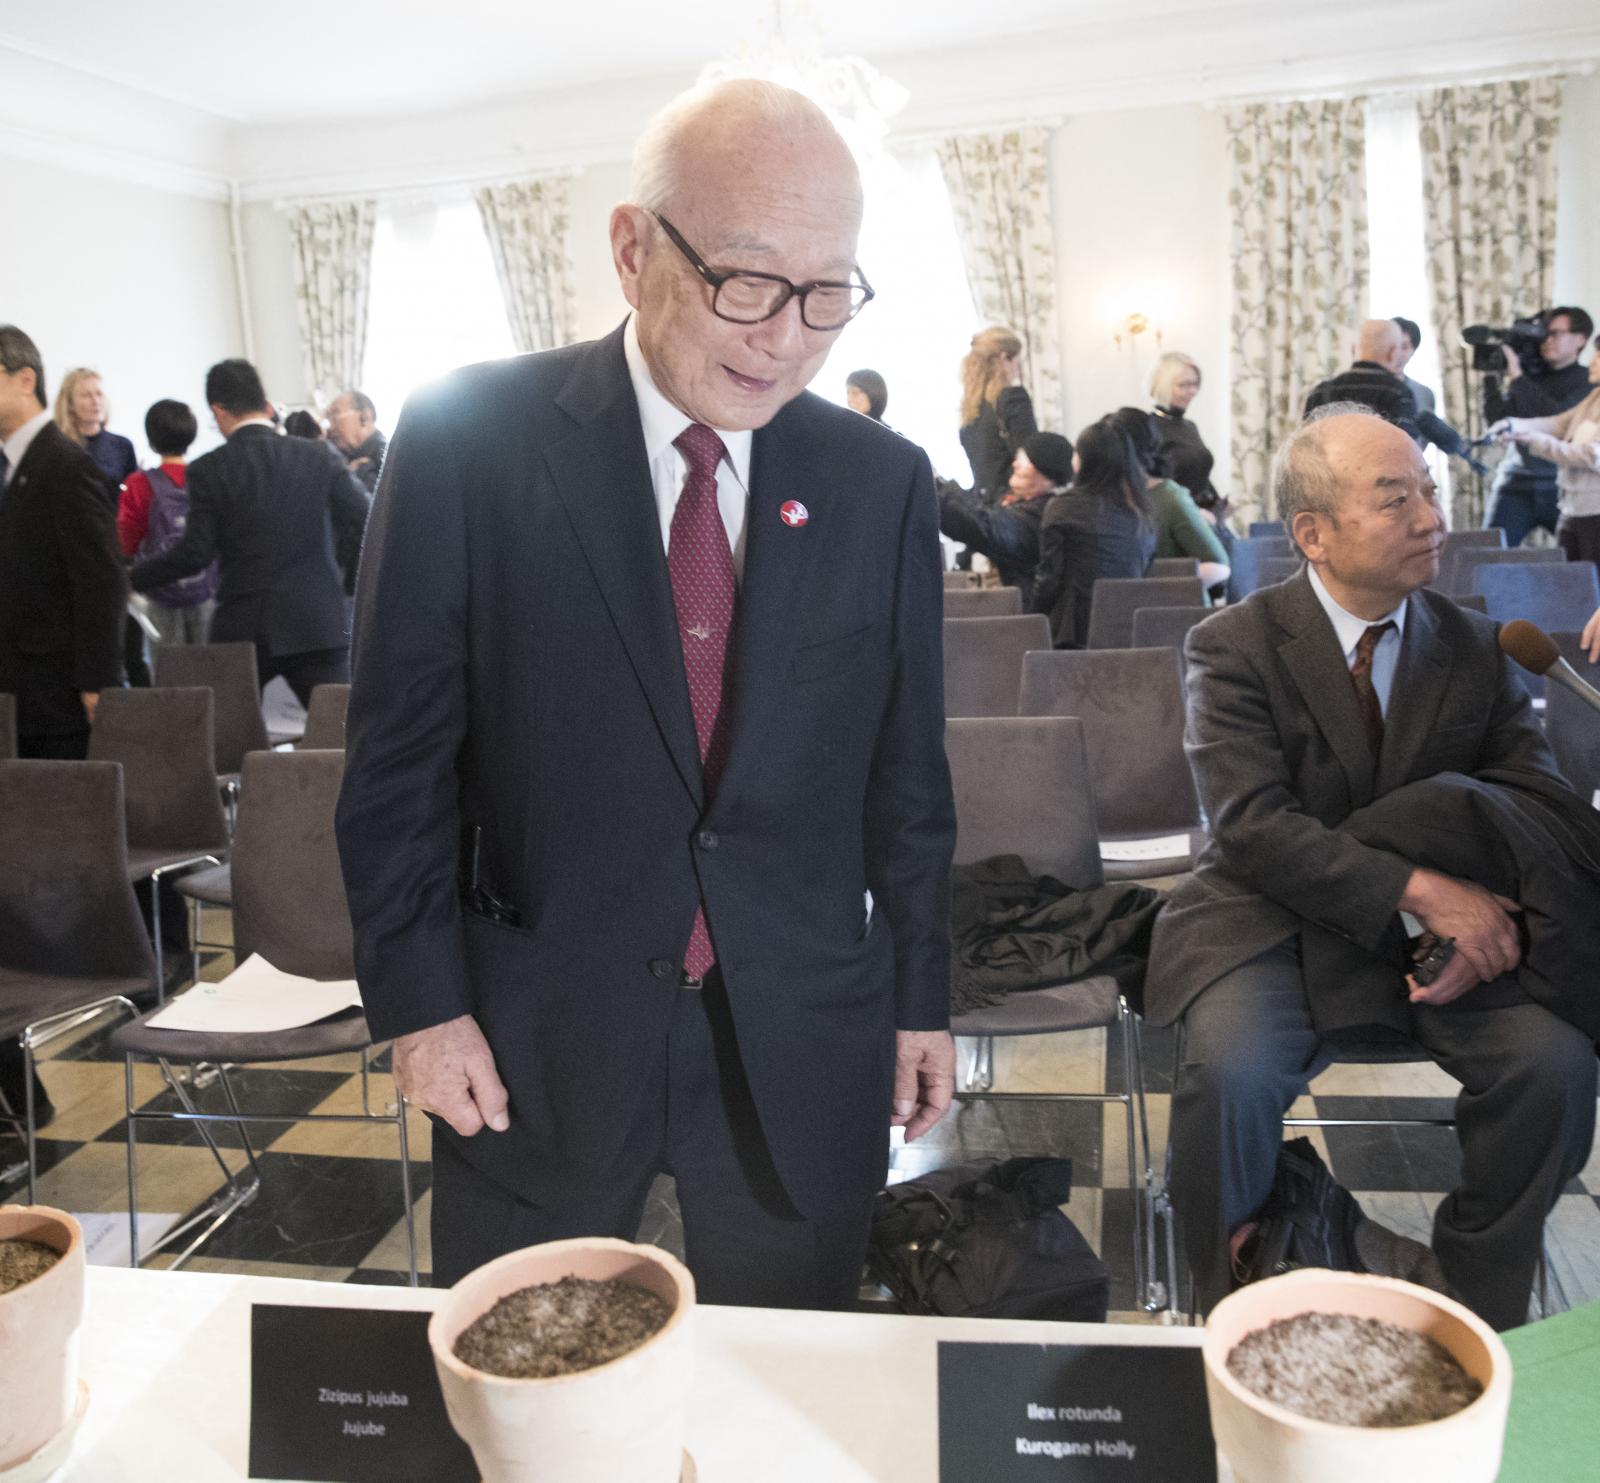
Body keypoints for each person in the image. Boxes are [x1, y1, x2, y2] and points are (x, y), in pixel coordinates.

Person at [334, 79, 957, 1308]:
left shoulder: (880, 482)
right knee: (532, 1388)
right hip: (537, 1032)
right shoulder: (470, 440)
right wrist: (422, 1009)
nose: (784, 335)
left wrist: (922, 997)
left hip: (796, 1022)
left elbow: (907, 775)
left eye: (828, 292)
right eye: (745, 278)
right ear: (633, 249)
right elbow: (397, 763)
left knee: (792, 1392)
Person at [1147, 404, 1597, 1330]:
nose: (1432, 517)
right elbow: (1253, 827)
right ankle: (1221, 1310)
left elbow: (1536, 799)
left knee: (1553, 1067)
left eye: (1429, 490)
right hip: (1271, 919)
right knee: (1228, 1075)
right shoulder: (1232, 645)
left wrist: (1471, 917)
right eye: (1396, 500)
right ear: (1313, 533)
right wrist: (1427, 886)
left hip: (1439, 946)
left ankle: (1475, 1297)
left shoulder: (1474, 642)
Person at [129, 359, 370, 706]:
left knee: (227, 741)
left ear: (218, 411)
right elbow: (364, 518)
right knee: (344, 736)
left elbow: (194, 554)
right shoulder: (318, 456)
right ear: (265, 402)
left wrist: (132, 577)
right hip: (317, 621)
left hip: (244, 630)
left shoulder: (208, 470)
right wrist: (343, 582)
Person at [0, 326, 126, 759]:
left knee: (65, 820)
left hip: (58, 694)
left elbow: (101, 578)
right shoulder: (10, 465)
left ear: (25, 380)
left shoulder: (66, 465)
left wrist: (96, 681)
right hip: (15, 689)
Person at [1031, 417, 1157, 648]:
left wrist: (1029, 615)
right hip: (1132, 633)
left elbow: (1049, 579)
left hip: (1075, 637)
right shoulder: (1141, 511)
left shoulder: (1063, 507)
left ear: (1083, 460)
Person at [1483, 307, 1593, 547]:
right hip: (1515, 481)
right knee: (1487, 553)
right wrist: (1490, 376)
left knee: (1583, 564)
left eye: (1556, 333)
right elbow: (1498, 420)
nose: (1547, 340)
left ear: (1581, 339)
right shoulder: (1527, 375)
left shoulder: (1588, 381)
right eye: (1544, 333)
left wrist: (1517, 375)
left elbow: (1557, 418)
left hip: (1559, 485)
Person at [119, 400, 217, 646]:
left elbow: (126, 538)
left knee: (170, 675)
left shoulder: (139, 484)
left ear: (151, 440)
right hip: (206, 589)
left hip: (159, 590)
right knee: (213, 668)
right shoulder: (206, 476)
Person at [937, 431, 1072, 605]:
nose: (1015, 464)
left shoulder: (1044, 514)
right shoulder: (1010, 500)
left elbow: (984, 528)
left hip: (1019, 615)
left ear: (1045, 471)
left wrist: (933, 487)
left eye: (1025, 459)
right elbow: (976, 510)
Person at [1108, 406, 1230, 590]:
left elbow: (1219, 565)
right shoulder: (1112, 498)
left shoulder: (1171, 498)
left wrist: (1160, 587)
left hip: (1174, 609)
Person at [1303, 320, 1421, 439]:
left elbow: (1304, 446)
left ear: (1353, 349)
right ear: (1393, 353)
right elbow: (1404, 448)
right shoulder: (1399, 393)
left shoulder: (1320, 391)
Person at [958, 326, 1037, 501]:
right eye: (1018, 361)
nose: (1019, 369)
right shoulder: (1014, 398)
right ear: (1004, 359)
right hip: (1013, 506)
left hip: (983, 509)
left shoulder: (969, 412)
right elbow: (1032, 456)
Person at [54, 366, 137, 496]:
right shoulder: (58, 446)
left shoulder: (122, 446)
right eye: (86, 395)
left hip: (110, 515)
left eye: (99, 394)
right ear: (70, 404)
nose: (95, 401)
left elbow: (132, 499)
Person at [326, 390, 386, 495]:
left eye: (335, 416)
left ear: (365, 417)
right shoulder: (342, 458)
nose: (330, 428)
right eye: (329, 419)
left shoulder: (387, 458)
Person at [1391, 317, 1438, 449]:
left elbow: (1424, 441)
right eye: (1393, 346)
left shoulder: (1424, 394)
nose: (1397, 353)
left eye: (1404, 347)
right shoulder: (1369, 387)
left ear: (1413, 350)